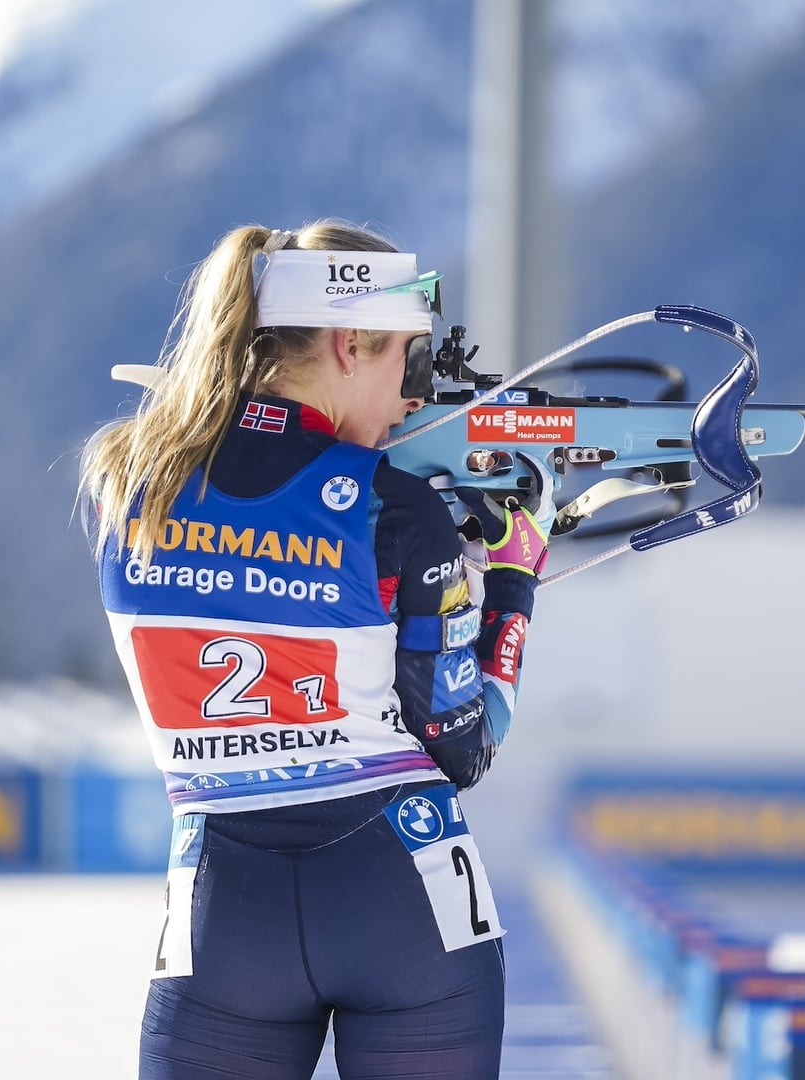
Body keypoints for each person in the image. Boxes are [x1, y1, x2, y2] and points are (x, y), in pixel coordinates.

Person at [80, 220, 551, 1079]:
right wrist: (512, 584)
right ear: (349, 343)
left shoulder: (132, 484)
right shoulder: (394, 509)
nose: (415, 398)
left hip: (221, 910)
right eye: (412, 361)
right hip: (404, 893)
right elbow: (466, 745)